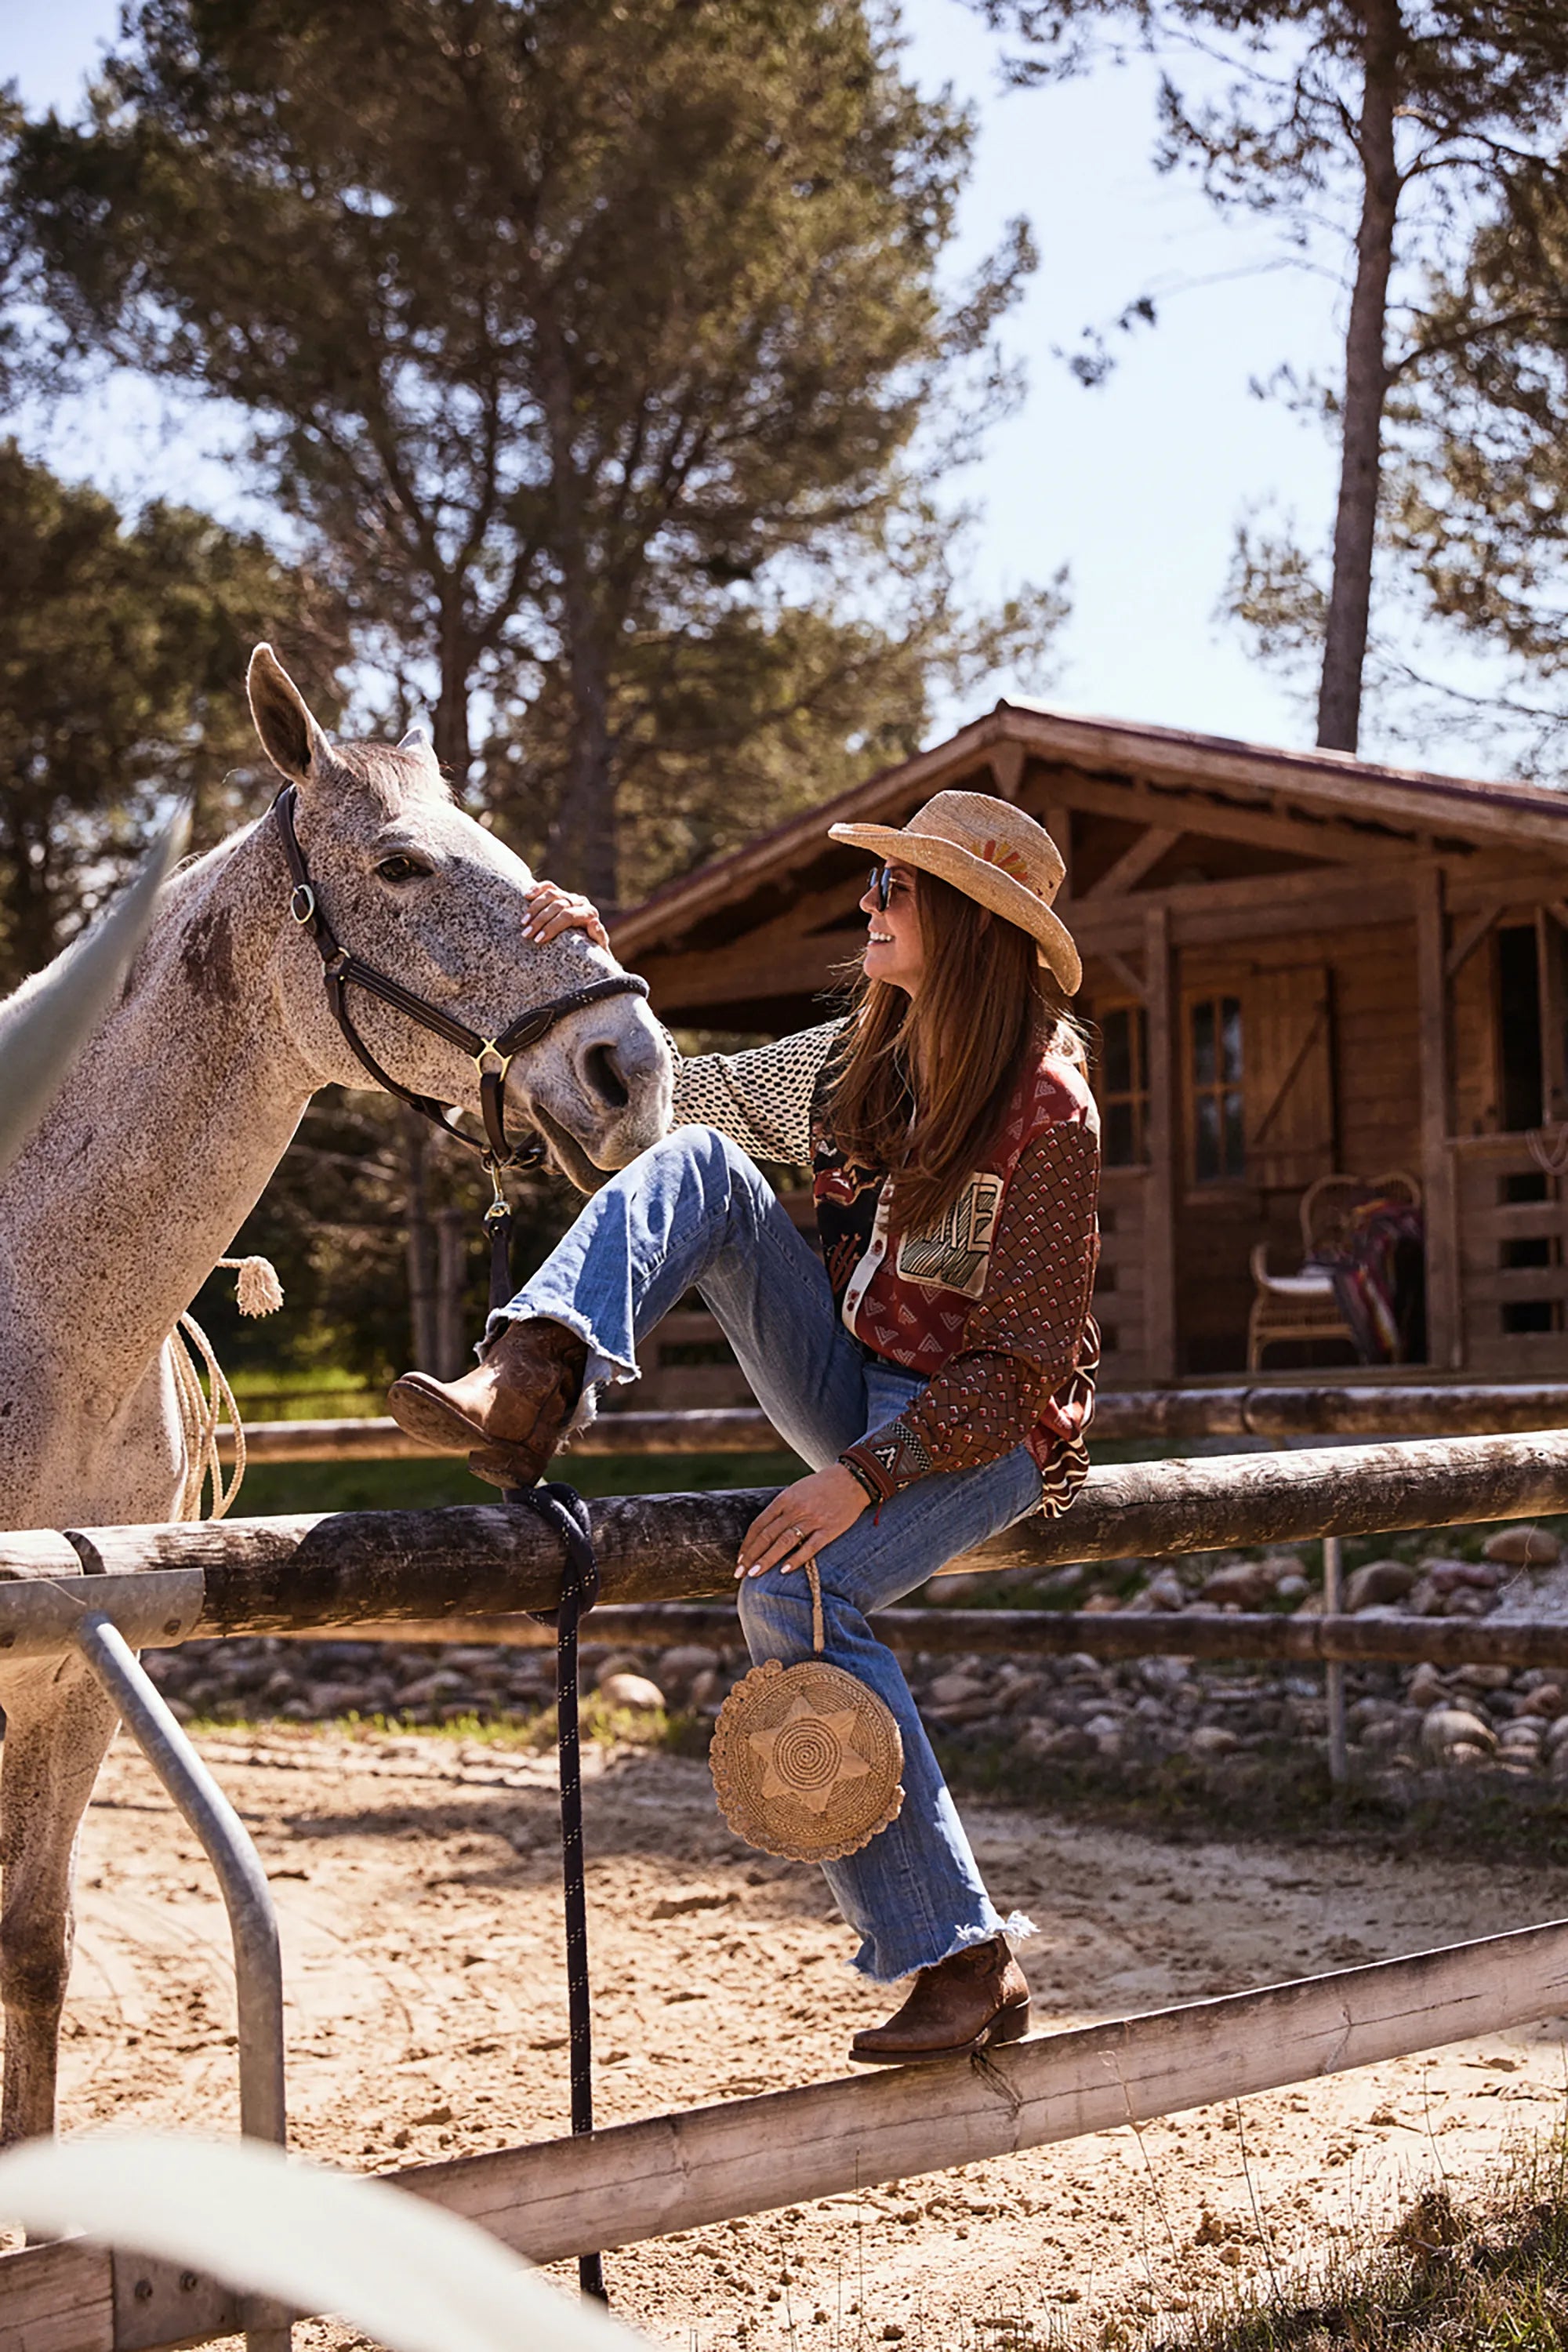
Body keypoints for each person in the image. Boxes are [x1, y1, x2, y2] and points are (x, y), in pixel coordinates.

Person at [387, 790, 1101, 2064]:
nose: (867, 905)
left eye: (896, 890)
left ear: (973, 924)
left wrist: (862, 1480)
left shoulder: (1049, 1112)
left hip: (984, 1427)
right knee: (706, 1165)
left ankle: (965, 1958)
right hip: (855, 1374)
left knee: (800, 1584)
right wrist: (586, 972)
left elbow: (1024, 1364)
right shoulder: (849, 1063)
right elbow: (652, 1120)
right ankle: (535, 1376)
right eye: (876, 885)